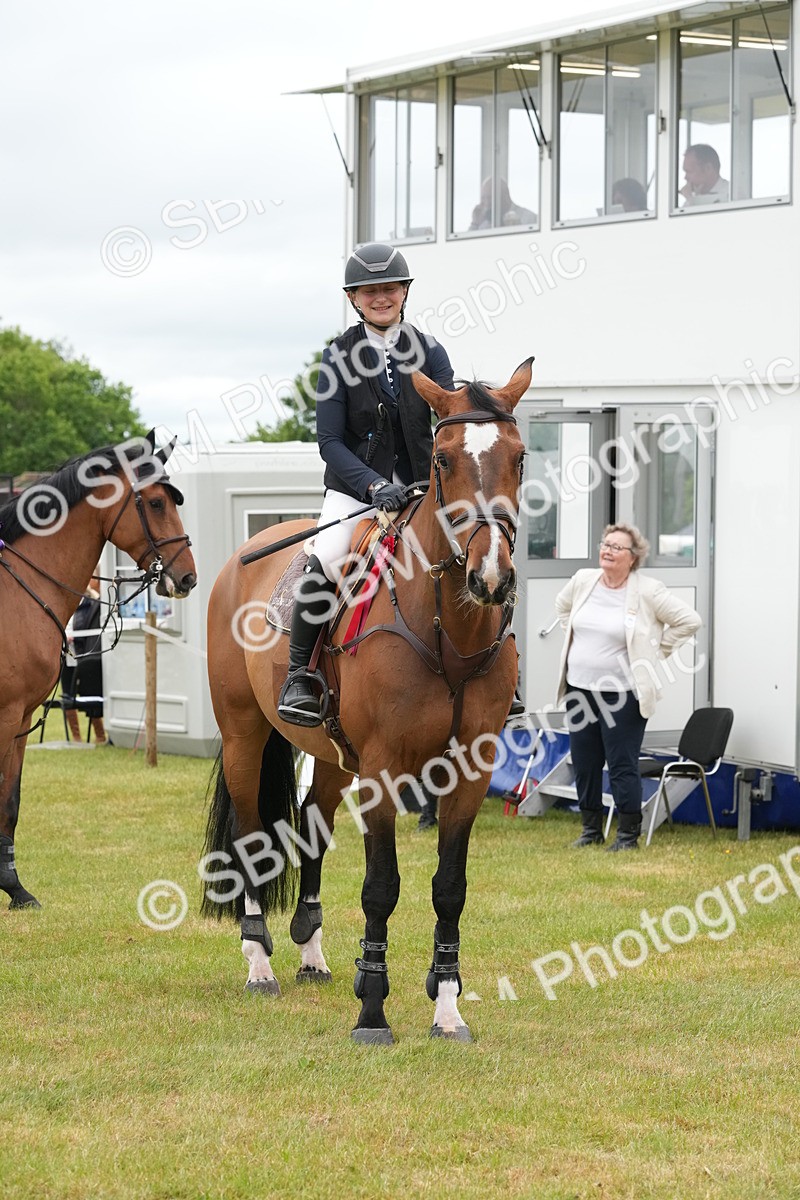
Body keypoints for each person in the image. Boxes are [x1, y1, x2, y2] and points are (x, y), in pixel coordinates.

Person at [277, 242, 455, 729]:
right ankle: (299, 676)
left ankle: (493, 666)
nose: (381, 297)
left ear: (404, 292)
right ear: (353, 298)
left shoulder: (431, 351)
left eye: (390, 288)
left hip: (421, 491)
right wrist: (375, 486)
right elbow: (329, 441)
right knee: (329, 555)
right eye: (369, 291)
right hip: (356, 493)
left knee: (474, 551)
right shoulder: (338, 356)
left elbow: (449, 419)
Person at [554, 524, 701, 852]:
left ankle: (627, 835)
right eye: (605, 544)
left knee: (621, 763)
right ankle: (591, 829)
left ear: (633, 558)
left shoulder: (648, 590)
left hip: (623, 694)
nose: (607, 550)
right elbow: (562, 608)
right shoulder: (583, 580)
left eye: (616, 547)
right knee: (585, 761)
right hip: (580, 689)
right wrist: (575, 637)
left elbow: (689, 620)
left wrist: (655, 651)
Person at [72, 575, 108, 744]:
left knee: (90, 692)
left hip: (83, 654)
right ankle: (76, 737)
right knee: (69, 693)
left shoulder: (91, 602)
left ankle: (100, 734)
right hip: (70, 654)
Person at [469, 177, 537, 230]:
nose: (487, 203)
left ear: (505, 195)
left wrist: (518, 228)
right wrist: (475, 224)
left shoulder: (529, 219)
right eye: (483, 198)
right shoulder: (484, 225)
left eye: (490, 198)